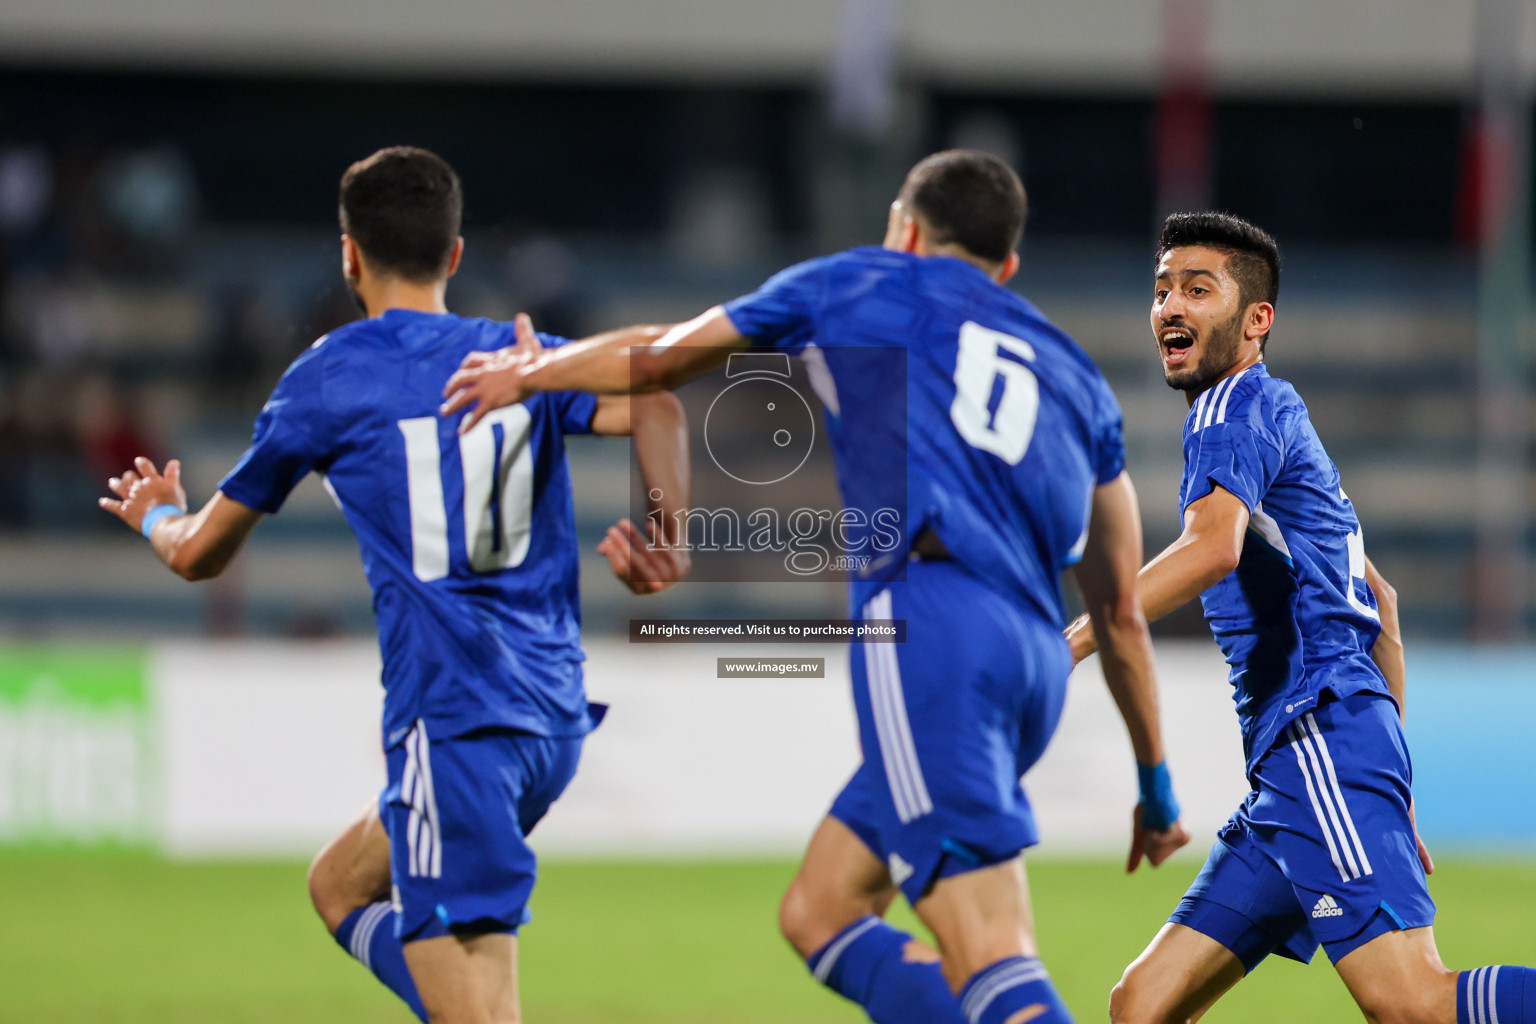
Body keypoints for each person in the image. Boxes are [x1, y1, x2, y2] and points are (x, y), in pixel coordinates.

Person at [440, 149, 1190, 1024]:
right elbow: (1122, 613)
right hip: (1036, 658)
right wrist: (1157, 783)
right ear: (1007, 266)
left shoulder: (861, 283)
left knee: (991, 947)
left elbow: (667, 355)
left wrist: (527, 373)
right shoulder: (1073, 374)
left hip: (936, 627)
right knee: (822, 909)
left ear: (906, 231)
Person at [98, 146, 691, 1024]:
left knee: (477, 1014)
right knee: (340, 885)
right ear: (455, 256)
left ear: (348, 256)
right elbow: (659, 397)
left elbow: (198, 554)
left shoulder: (329, 378)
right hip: (550, 723)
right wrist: (667, 536)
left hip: (454, 725)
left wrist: (156, 513)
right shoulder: (518, 359)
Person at [1066, 210, 1536, 1024]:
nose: (1170, 306)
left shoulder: (1229, 413)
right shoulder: (1281, 414)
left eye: (1197, 288)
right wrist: (1393, 790)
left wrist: (1079, 635)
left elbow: (1212, 550)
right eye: (1161, 288)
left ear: (1256, 322)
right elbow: (1381, 606)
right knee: (1140, 1005)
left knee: (1414, 1004)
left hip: (1316, 734)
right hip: (1302, 765)